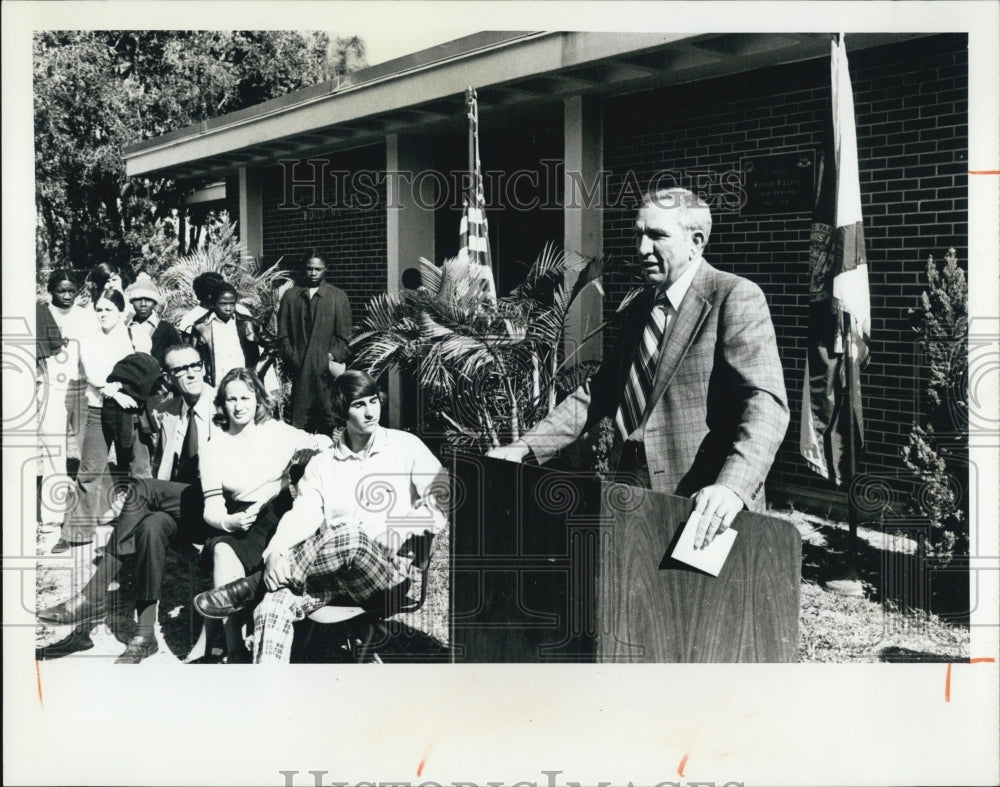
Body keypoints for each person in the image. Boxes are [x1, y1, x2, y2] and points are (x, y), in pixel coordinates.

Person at [488, 188, 789, 549]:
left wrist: (731, 487)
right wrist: (525, 447)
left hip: (704, 505)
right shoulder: (641, 305)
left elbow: (765, 402)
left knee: (692, 603)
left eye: (657, 235)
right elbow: (599, 393)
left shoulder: (734, 297)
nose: (642, 248)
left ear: (696, 241)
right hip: (629, 488)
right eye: (638, 234)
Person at [194, 370, 448, 664]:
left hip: (386, 576)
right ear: (342, 411)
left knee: (351, 534)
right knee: (270, 607)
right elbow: (302, 515)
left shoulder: (405, 446)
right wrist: (275, 552)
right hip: (331, 575)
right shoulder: (324, 465)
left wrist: (399, 530)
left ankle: (252, 585)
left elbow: (443, 495)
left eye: (373, 401)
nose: (370, 412)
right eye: (359, 405)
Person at [37, 344, 219, 662]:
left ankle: (90, 597)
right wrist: (117, 385)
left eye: (195, 365)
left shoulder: (224, 405)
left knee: (141, 491)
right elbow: (138, 367)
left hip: (214, 505)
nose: (191, 373)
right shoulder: (167, 409)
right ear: (169, 376)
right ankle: (145, 635)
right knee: (149, 526)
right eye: (180, 369)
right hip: (179, 504)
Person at [197, 367, 331, 661]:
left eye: (245, 397)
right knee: (221, 551)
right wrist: (226, 522)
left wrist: (311, 452)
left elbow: (325, 442)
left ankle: (264, 631)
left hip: (276, 513)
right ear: (222, 403)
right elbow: (212, 507)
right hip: (236, 518)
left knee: (274, 559)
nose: (239, 405)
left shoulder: (277, 433)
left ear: (258, 399)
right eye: (231, 399)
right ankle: (235, 651)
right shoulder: (213, 447)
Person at [54, 287, 144, 553]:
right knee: (89, 471)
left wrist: (120, 389)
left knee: (139, 471)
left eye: (109, 309)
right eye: (99, 310)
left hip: (130, 411)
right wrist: (113, 389)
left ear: (120, 311)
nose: (103, 314)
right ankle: (77, 531)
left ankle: (140, 530)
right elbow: (92, 373)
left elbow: (142, 370)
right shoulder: (87, 340)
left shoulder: (133, 337)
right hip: (98, 410)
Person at [37, 270, 98, 526]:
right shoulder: (40, 314)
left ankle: (91, 513)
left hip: (83, 388)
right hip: (51, 387)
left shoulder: (86, 316)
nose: (67, 296)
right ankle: (52, 515)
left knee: (91, 450)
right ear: (51, 290)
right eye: (61, 291)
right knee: (54, 451)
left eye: (71, 290)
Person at [276, 251, 352, 432]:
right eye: (309, 269)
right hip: (300, 370)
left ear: (326, 269)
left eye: (318, 269)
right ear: (304, 269)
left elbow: (345, 338)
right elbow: (283, 334)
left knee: (328, 422)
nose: (313, 273)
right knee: (300, 425)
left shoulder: (337, 296)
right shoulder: (291, 296)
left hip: (325, 374)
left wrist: (329, 357)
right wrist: (292, 357)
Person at [191, 283, 260, 387]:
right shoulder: (201, 327)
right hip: (216, 385)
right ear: (214, 303)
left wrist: (256, 370)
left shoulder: (247, 323)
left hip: (245, 383)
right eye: (223, 304)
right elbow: (193, 357)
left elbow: (272, 346)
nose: (228, 308)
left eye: (232, 304)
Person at [125, 272, 181, 368]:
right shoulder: (124, 328)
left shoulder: (166, 329)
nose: (143, 304)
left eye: (148, 299)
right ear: (132, 302)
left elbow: (178, 359)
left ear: (155, 302)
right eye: (138, 300)